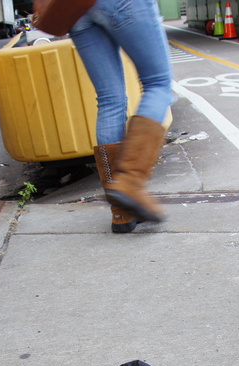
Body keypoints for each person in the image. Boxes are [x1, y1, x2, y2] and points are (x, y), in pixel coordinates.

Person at [70, 0, 172, 233]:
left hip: (74, 10)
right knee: (158, 84)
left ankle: (121, 213)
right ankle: (131, 182)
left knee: (109, 99)